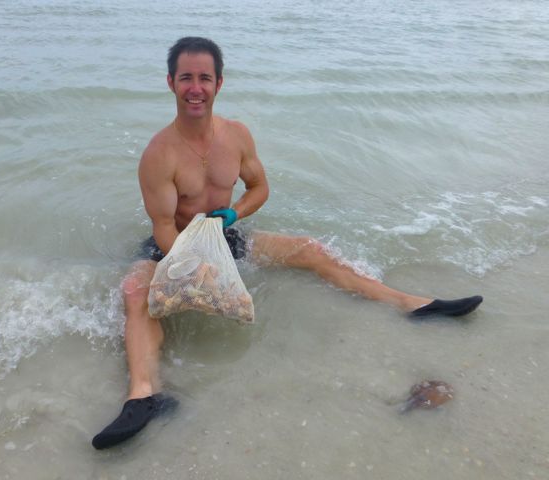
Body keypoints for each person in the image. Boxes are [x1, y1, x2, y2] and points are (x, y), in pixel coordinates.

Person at [91, 37, 483, 450]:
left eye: (204, 77)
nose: (195, 87)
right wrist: (198, 268)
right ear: (170, 82)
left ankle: (411, 304)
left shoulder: (237, 136)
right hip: (172, 246)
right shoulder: (159, 153)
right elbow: (163, 226)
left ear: (219, 83)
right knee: (135, 291)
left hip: (223, 235)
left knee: (310, 249)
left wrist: (235, 214)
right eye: (186, 77)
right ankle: (144, 396)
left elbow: (259, 187)